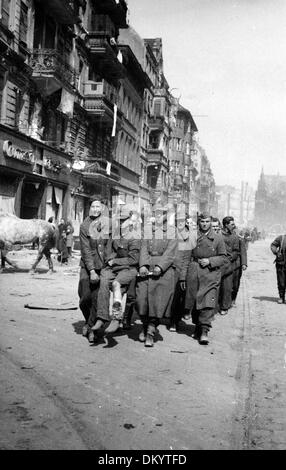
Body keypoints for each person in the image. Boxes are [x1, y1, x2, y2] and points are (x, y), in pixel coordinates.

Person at [136, 204, 178, 347]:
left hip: (163, 272)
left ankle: (150, 332)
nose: (159, 216)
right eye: (157, 213)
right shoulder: (148, 230)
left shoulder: (172, 231)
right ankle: (145, 324)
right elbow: (143, 249)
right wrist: (143, 265)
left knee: (157, 303)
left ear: (167, 215)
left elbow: (170, 253)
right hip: (147, 269)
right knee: (141, 300)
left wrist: (160, 266)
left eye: (162, 213)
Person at [92, 216, 140, 338]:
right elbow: (109, 253)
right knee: (103, 280)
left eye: (124, 220)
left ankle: (116, 318)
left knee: (116, 284)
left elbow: (134, 259)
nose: (122, 223)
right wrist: (110, 260)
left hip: (129, 269)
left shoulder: (135, 237)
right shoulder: (115, 236)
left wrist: (116, 261)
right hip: (114, 268)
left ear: (130, 221)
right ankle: (102, 317)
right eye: (120, 221)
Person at [184, 212, 227, 345]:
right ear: (199, 222)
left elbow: (224, 258)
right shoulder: (192, 236)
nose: (204, 224)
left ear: (210, 222)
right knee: (196, 300)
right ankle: (198, 325)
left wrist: (210, 261)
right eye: (202, 221)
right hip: (194, 271)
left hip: (210, 274)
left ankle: (204, 330)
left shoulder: (218, 238)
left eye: (207, 221)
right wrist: (182, 276)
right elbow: (185, 256)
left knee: (208, 302)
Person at [78, 198, 110, 340]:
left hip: (103, 266)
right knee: (84, 298)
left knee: (97, 298)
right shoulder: (85, 225)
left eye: (98, 206)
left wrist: (109, 263)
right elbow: (85, 250)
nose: (95, 209)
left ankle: (92, 328)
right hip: (87, 266)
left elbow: (110, 244)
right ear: (89, 207)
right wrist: (91, 270)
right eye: (93, 206)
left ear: (102, 208)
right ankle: (88, 321)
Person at [169, 213, 196, 332]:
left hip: (181, 270)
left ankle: (174, 321)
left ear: (185, 221)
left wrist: (183, 277)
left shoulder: (189, 236)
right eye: (177, 220)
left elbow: (187, 258)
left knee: (178, 297)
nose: (179, 223)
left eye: (182, 220)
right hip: (168, 268)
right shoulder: (170, 233)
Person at [218, 216, 240, 315]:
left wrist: (231, 258)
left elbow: (236, 251)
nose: (233, 225)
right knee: (217, 286)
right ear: (226, 225)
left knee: (227, 287)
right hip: (217, 264)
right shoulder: (218, 235)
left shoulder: (235, 237)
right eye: (232, 224)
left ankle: (224, 307)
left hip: (229, 265)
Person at [231, 229, 247, 306]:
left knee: (235, 284)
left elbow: (243, 252)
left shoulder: (240, 239)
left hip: (237, 265)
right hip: (226, 264)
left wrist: (244, 263)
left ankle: (233, 299)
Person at [270, 233, 286, 303]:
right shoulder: (281, 238)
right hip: (281, 264)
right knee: (281, 282)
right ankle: (281, 297)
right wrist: (276, 252)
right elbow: (273, 245)